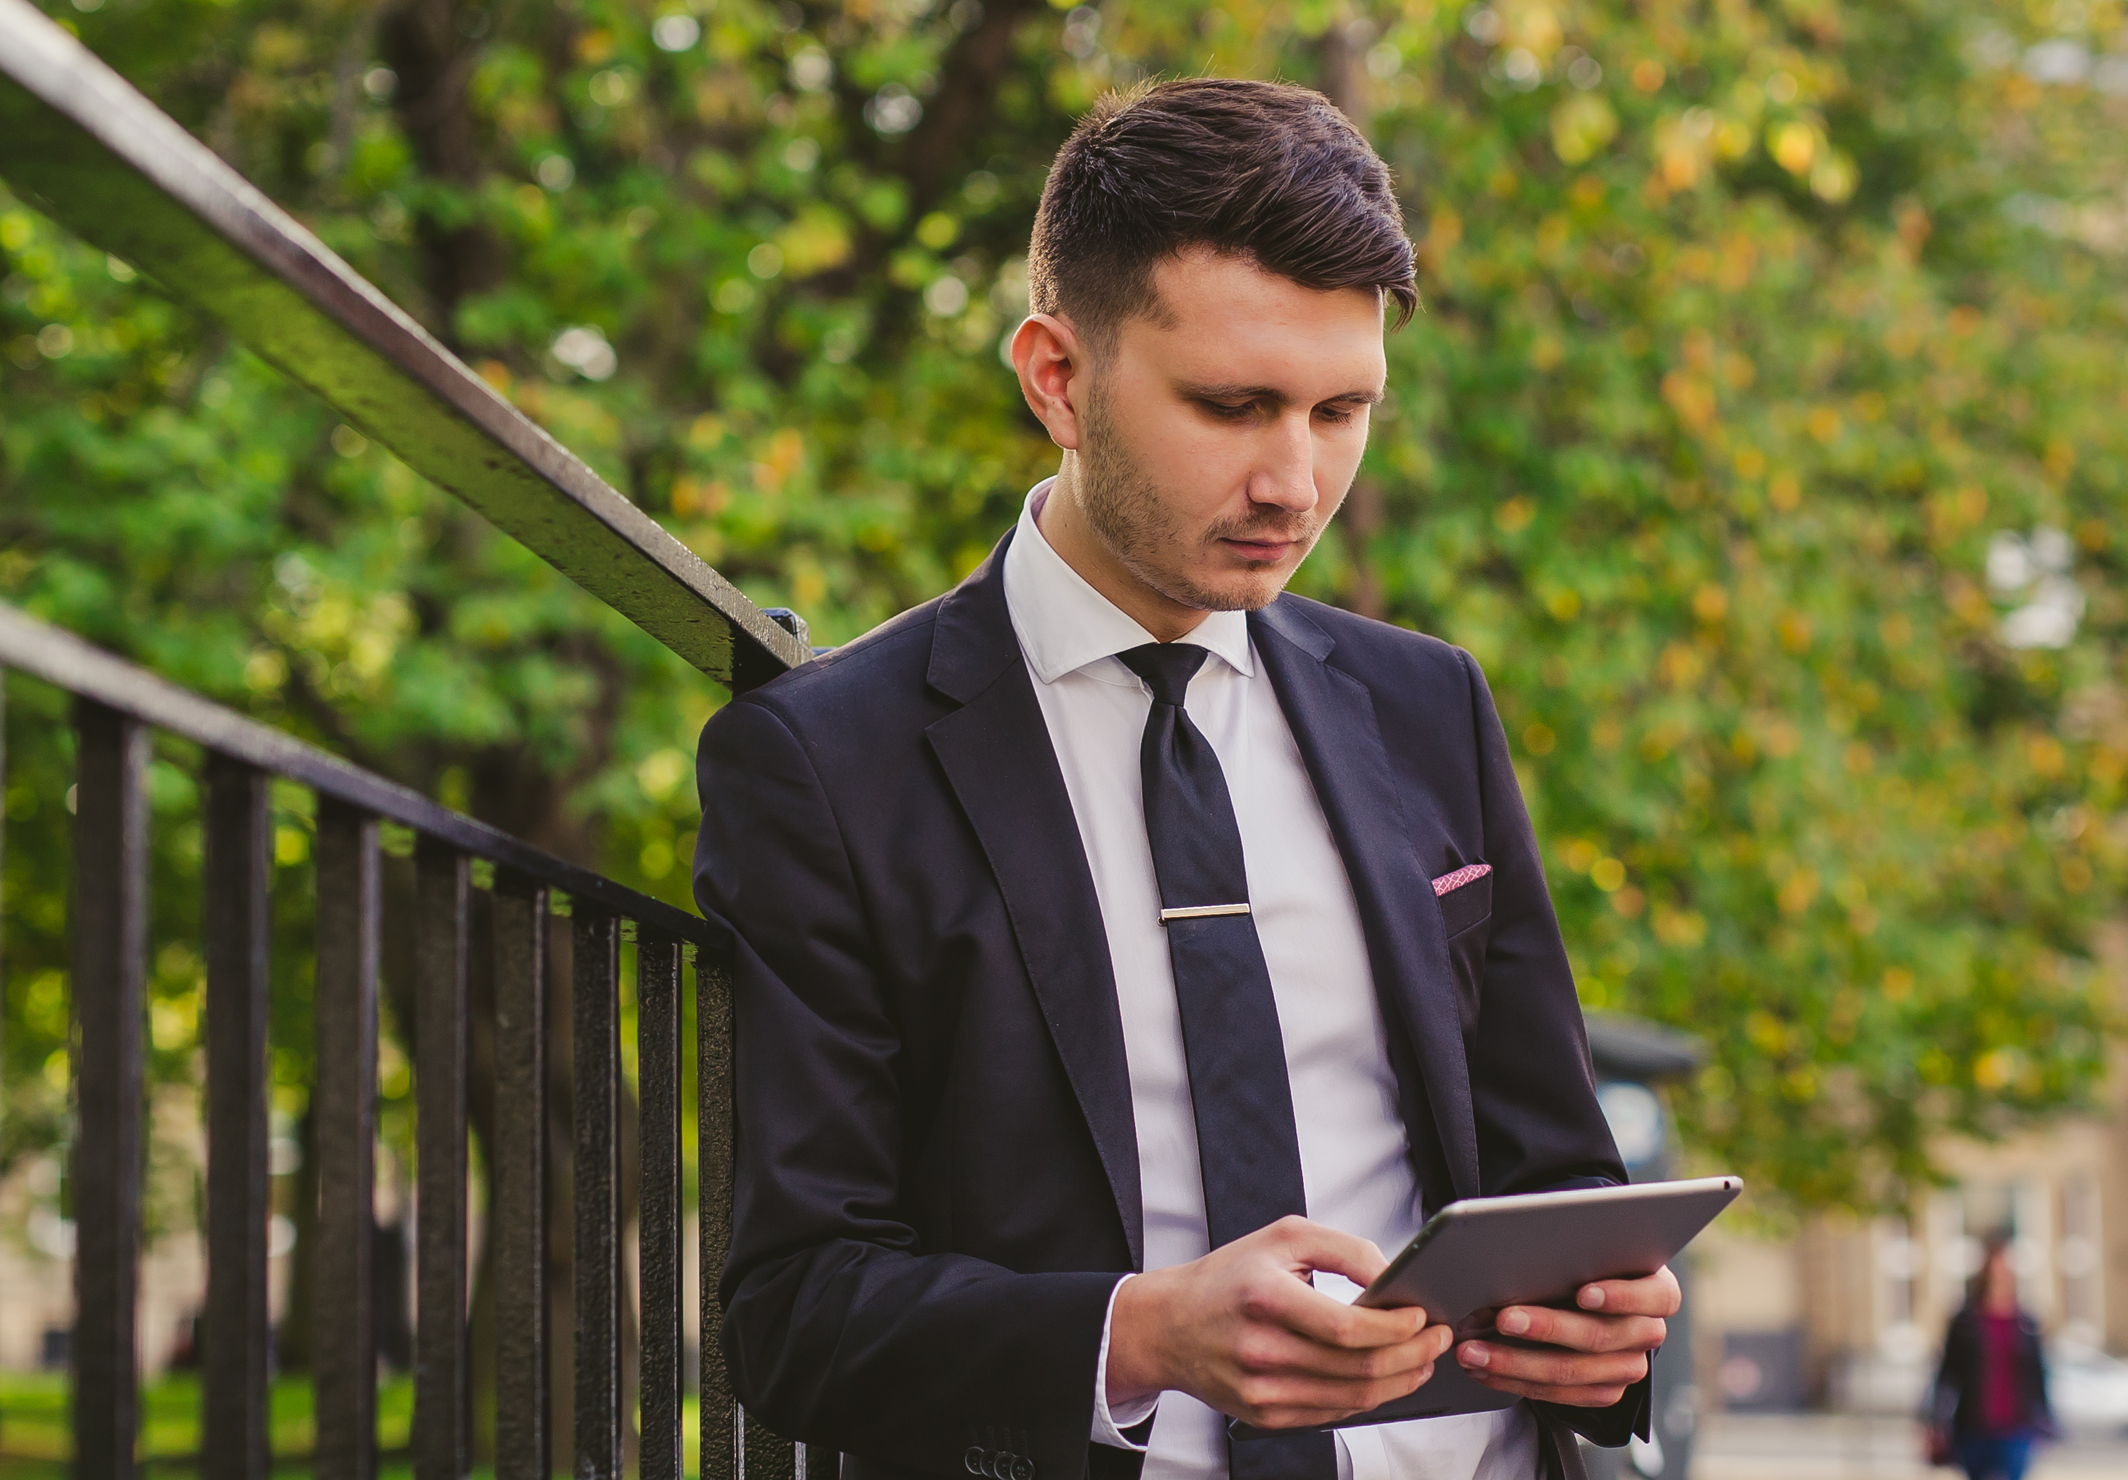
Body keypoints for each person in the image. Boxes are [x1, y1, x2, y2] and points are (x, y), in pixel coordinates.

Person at [694, 77, 1678, 1480]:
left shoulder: (1428, 705)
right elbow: (797, 1313)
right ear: (1057, 378)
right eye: (1235, 404)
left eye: (1345, 409)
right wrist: (1138, 1336)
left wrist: (1604, 1323)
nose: (1297, 478)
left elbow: (1551, 1169)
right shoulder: (826, 763)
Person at [1926, 1238, 2053, 1480]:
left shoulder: (2025, 1323)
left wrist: (2046, 1415)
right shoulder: (1965, 1322)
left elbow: (2039, 1372)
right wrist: (1936, 1419)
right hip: (1973, 1423)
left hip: (2017, 1424)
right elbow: (1947, 1373)